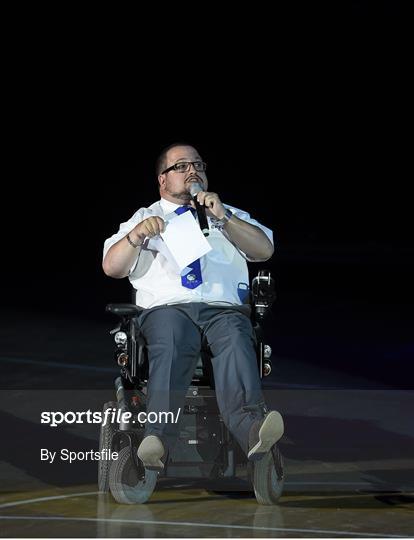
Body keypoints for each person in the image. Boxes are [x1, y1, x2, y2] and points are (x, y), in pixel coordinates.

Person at [102, 142, 284, 470]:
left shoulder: (225, 213)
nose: (192, 171)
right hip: (167, 310)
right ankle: (157, 438)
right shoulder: (145, 217)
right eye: (182, 166)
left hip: (223, 309)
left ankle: (253, 429)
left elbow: (264, 249)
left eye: (198, 165)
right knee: (172, 338)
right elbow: (112, 267)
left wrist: (224, 217)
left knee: (235, 338)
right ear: (162, 179)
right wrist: (138, 235)